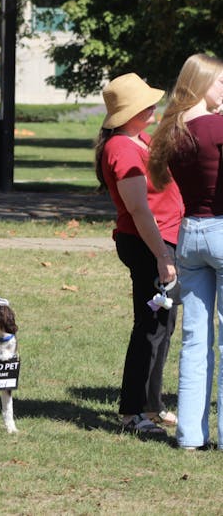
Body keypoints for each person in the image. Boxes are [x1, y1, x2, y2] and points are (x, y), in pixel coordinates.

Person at [95, 73, 182, 435]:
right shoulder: (122, 148)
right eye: (146, 103)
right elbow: (139, 210)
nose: (153, 106)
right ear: (129, 110)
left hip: (161, 241)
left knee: (162, 326)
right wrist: (162, 256)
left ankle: (150, 403)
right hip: (149, 243)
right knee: (149, 327)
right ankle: (132, 412)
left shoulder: (140, 139)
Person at [148, 53, 223, 450]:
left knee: (195, 339)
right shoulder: (217, 126)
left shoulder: (172, 131)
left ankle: (190, 436)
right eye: (221, 82)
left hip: (190, 233)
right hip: (221, 228)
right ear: (203, 83)